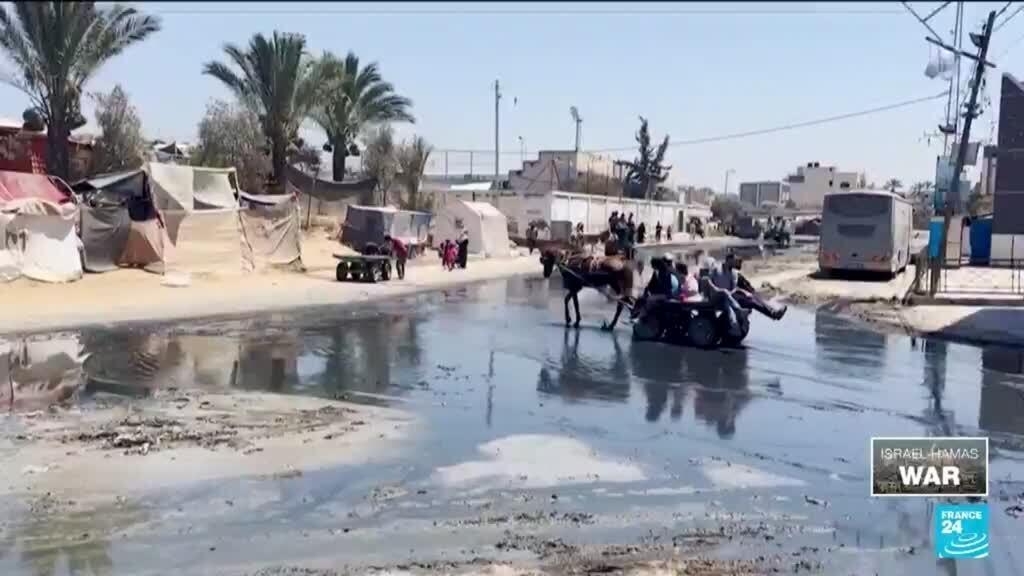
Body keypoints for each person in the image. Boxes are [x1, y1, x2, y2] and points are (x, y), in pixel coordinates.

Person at [710, 253, 787, 320]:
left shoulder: (733, 273)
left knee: (752, 299)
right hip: (718, 296)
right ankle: (772, 313)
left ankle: (773, 313)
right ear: (728, 260)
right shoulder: (716, 269)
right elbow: (709, 280)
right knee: (751, 299)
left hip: (729, 296)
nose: (735, 263)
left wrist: (742, 292)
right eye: (734, 260)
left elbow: (732, 289)